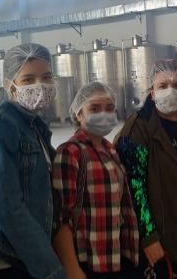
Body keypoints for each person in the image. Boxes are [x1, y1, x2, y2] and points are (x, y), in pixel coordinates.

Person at [0, 43, 64, 279]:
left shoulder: (34, 126)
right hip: (10, 258)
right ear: (10, 86)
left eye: (46, 77)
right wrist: (51, 269)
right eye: (28, 79)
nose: (39, 86)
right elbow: (8, 207)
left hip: (33, 252)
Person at [115, 59, 177, 279]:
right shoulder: (138, 129)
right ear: (152, 92)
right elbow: (134, 187)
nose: (170, 90)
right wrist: (149, 237)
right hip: (165, 238)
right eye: (163, 85)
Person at [52, 82, 139, 279]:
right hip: (88, 261)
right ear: (79, 114)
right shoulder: (70, 152)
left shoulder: (110, 150)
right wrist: (72, 269)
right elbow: (62, 219)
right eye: (94, 108)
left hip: (114, 256)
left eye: (109, 108)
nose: (104, 114)